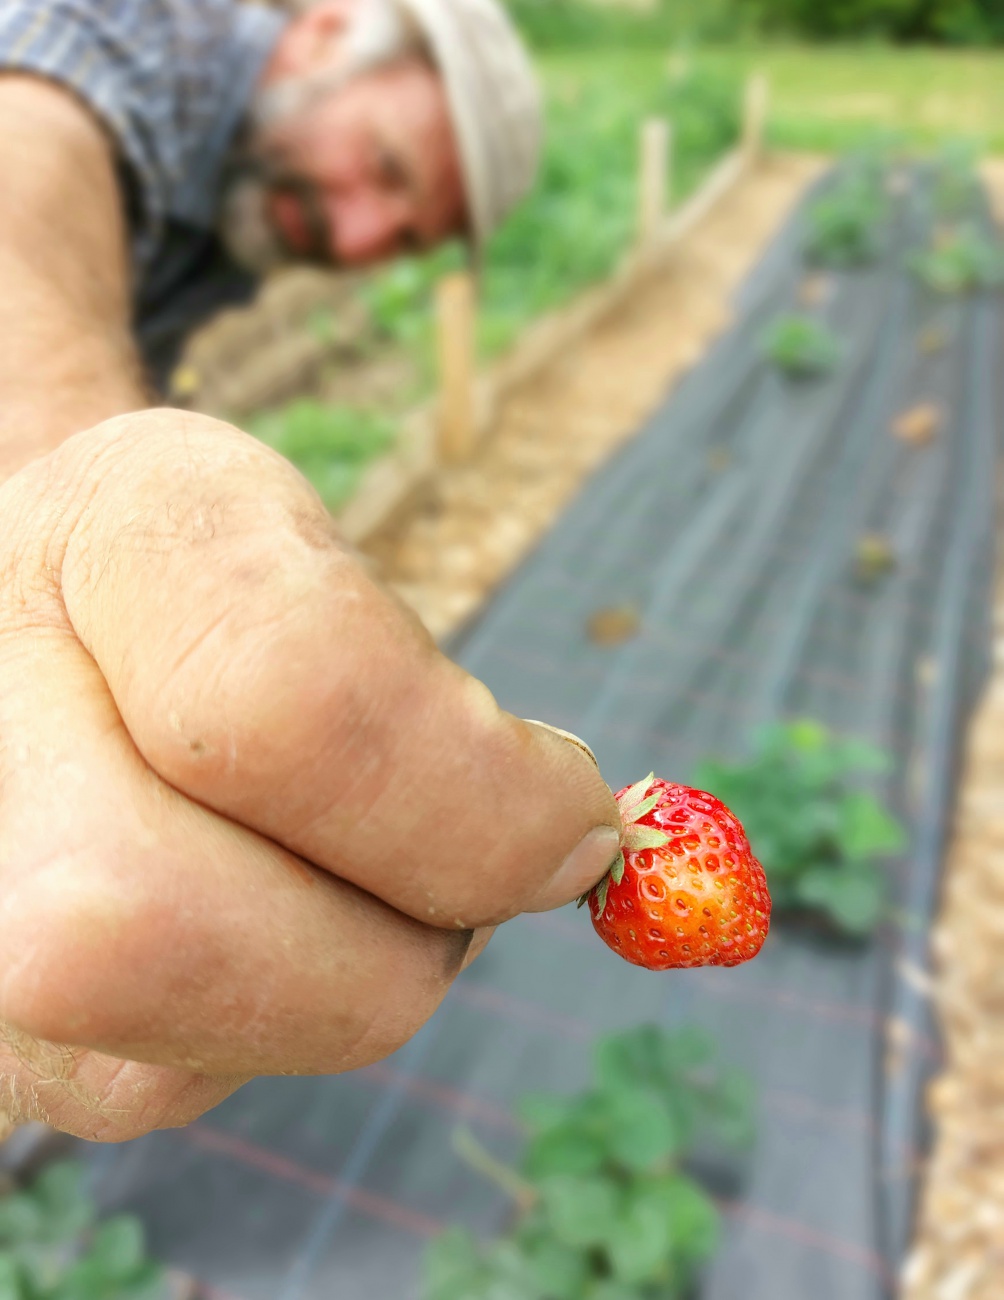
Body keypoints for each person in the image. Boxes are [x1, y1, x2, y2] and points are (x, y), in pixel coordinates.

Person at [0, 0, 623, 1145]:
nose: (358, 232)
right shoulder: (148, 32)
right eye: (384, 164)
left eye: (403, 229)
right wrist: (85, 509)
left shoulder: (233, 214)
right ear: (330, 27)